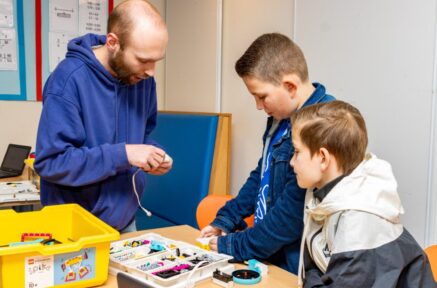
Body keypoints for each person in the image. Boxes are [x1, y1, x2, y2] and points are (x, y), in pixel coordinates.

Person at [199, 33, 335, 274]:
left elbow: (290, 218)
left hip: (295, 267)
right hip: (267, 256)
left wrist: (232, 245)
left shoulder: (322, 124)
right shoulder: (280, 119)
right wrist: (227, 219)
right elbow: (262, 175)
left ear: (290, 86)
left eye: (261, 96)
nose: (259, 106)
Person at [34, 0, 172, 232]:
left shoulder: (143, 81)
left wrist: (153, 155)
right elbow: (52, 162)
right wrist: (125, 154)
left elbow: (142, 137)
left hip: (124, 220)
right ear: (113, 43)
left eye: (156, 61)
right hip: (74, 228)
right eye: (142, 60)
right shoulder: (68, 80)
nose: (150, 71)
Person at [290, 100, 436, 287]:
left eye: (296, 152)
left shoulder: (360, 222)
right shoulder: (323, 196)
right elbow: (316, 268)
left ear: (323, 158)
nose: (292, 162)